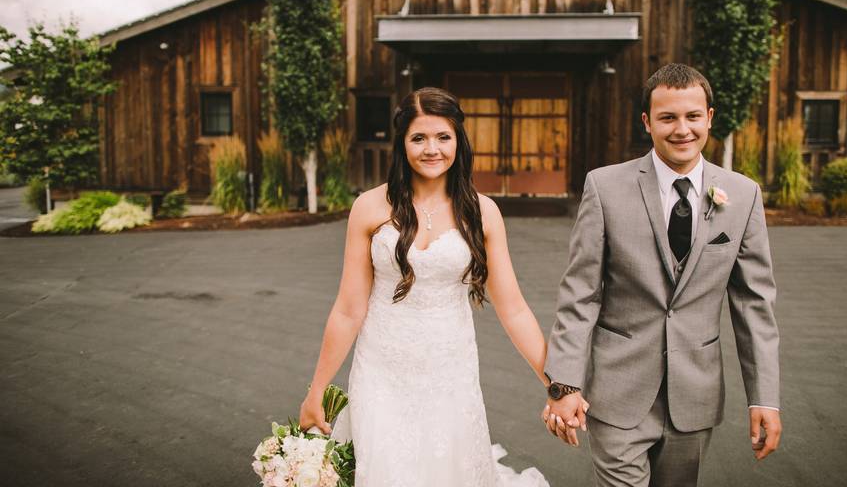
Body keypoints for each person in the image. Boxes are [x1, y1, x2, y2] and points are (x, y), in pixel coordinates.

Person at [299, 86, 571, 486]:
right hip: (381, 370)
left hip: (450, 371)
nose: (432, 149)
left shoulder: (483, 212)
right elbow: (348, 308)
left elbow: (513, 309)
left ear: (459, 141)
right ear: (402, 143)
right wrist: (316, 390)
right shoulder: (370, 207)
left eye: (443, 137)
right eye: (418, 138)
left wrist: (558, 385)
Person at [542, 63, 782, 486]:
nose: (681, 129)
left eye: (692, 116)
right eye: (668, 117)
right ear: (647, 122)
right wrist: (563, 385)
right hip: (617, 392)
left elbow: (754, 305)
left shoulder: (742, 195)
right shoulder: (605, 186)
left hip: (695, 396)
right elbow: (580, 295)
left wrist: (764, 397)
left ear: (709, 117)